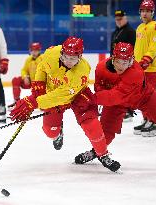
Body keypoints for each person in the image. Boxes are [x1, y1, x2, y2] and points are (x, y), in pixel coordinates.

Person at [74, 42, 156, 167]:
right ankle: (96, 152)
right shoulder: (101, 68)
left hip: (145, 97)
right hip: (117, 103)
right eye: (118, 61)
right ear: (113, 58)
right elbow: (100, 88)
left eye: (126, 62)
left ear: (131, 60)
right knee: (106, 130)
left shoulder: (136, 73)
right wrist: (95, 97)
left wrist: (91, 98)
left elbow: (115, 95)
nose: (121, 66)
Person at [9, 36, 121, 172]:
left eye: (73, 59)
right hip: (52, 94)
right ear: (61, 52)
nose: (68, 61)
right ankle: (58, 132)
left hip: (78, 96)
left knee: (92, 126)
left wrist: (33, 101)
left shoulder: (82, 71)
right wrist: (39, 83)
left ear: (80, 57)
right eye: (65, 57)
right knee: (50, 132)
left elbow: (62, 95)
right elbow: (42, 67)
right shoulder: (52, 52)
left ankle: (103, 154)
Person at [134, 0, 156, 137]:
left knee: (149, 96)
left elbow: (154, 46)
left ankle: (152, 122)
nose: (145, 13)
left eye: (147, 11)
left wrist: (147, 60)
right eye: (142, 11)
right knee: (142, 96)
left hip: (151, 68)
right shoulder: (139, 28)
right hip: (140, 68)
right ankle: (146, 119)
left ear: (152, 13)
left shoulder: (155, 26)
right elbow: (137, 48)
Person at [110, 9, 136, 122]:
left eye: (120, 19)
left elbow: (133, 49)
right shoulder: (115, 32)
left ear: (125, 18)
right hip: (116, 63)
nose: (118, 21)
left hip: (126, 64)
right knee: (117, 87)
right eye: (116, 19)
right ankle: (121, 108)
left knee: (126, 87)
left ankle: (128, 110)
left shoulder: (130, 31)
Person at [8, 42, 43, 108]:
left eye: (35, 50)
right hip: (31, 82)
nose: (33, 52)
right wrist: (25, 77)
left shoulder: (43, 58)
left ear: (39, 50)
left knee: (40, 106)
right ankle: (16, 101)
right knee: (16, 80)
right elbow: (24, 70)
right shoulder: (28, 59)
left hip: (40, 84)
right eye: (32, 50)